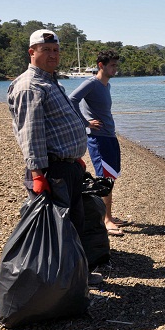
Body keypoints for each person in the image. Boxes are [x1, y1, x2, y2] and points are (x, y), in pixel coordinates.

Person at [7, 29, 94, 278]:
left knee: (74, 224)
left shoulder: (50, 81)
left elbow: (58, 126)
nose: (53, 55)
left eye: (55, 50)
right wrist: (37, 174)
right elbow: (30, 134)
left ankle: (77, 277)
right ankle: (60, 284)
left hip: (68, 167)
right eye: (46, 50)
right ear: (32, 52)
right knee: (58, 230)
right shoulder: (29, 86)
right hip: (51, 171)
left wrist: (74, 157)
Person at [69, 50, 128, 237]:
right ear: (101, 65)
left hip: (110, 135)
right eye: (112, 65)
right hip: (98, 138)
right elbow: (71, 100)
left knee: (111, 176)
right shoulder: (91, 83)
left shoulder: (106, 86)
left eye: (116, 65)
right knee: (104, 179)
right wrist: (85, 123)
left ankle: (108, 215)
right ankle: (105, 220)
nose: (115, 68)